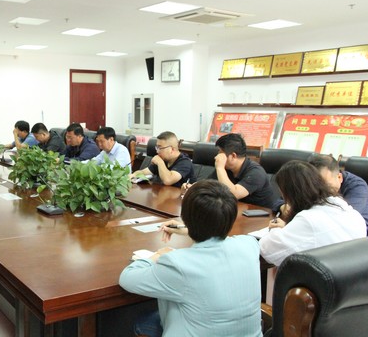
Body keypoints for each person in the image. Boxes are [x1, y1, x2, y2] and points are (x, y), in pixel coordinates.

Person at [119, 180, 262, 337]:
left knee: (142, 323)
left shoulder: (178, 264)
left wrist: (156, 256)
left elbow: (127, 278)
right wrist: (190, 229)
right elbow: (222, 239)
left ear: (184, 216)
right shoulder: (250, 245)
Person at [260, 160, 366, 267]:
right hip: (351, 274)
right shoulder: (349, 211)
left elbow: (266, 249)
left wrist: (275, 230)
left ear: (289, 194)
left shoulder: (308, 219)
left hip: (322, 276)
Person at [308, 154, 368, 235]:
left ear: (339, 177)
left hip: (361, 237)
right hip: (325, 232)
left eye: (326, 185)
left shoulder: (357, 186)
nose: (321, 190)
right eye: (316, 185)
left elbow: (344, 218)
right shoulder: (309, 184)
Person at [213, 133, 278, 210]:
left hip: (260, 214)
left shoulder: (256, 172)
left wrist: (220, 168)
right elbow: (207, 186)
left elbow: (233, 194)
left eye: (220, 153)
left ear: (233, 156)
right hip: (237, 210)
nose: (216, 157)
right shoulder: (227, 168)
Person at [130, 131, 195, 187]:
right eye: (157, 147)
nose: (157, 151)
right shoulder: (164, 159)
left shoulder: (185, 162)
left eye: (160, 148)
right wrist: (133, 175)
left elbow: (168, 180)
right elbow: (143, 172)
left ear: (171, 149)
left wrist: (160, 162)